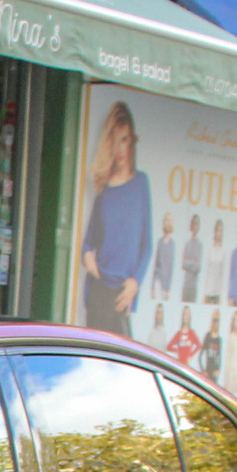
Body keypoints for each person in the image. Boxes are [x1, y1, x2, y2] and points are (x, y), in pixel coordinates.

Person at [77, 100, 151, 338]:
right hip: (99, 290)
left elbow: (147, 244)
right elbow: (88, 245)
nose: (120, 148)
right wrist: (90, 263)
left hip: (122, 292)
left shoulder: (141, 183)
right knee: (93, 362)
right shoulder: (104, 191)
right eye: (115, 139)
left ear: (132, 141)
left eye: (125, 139)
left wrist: (134, 283)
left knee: (124, 366)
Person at [152, 218, 178, 306]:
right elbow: (156, 263)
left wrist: (169, 290)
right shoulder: (160, 241)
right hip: (158, 280)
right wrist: (152, 287)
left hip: (166, 283)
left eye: (169, 222)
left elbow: (171, 267)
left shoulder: (172, 244)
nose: (167, 224)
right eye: (165, 222)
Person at [204, 219, 228, 306]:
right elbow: (206, 271)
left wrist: (222, 294)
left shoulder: (223, 250)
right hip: (208, 292)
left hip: (218, 293)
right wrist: (205, 293)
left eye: (220, 230)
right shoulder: (210, 249)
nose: (219, 232)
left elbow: (223, 273)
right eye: (217, 230)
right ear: (214, 231)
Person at [181, 212, 203, 303]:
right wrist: (193, 262)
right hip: (185, 286)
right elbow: (183, 264)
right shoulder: (187, 244)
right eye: (193, 223)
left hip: (194, 288)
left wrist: (189, 262)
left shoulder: (200, 245)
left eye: (196, 224)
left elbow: (198, 268)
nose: (194, 226)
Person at [202, 312, 224, 382]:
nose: (215, 324)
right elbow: (201, 354)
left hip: (214, 373)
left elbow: (219, 356)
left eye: (217, 321)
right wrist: (203, 370)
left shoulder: (219, 339)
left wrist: (218, 369)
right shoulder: (208, 336)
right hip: (207, 370)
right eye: (214, 321)